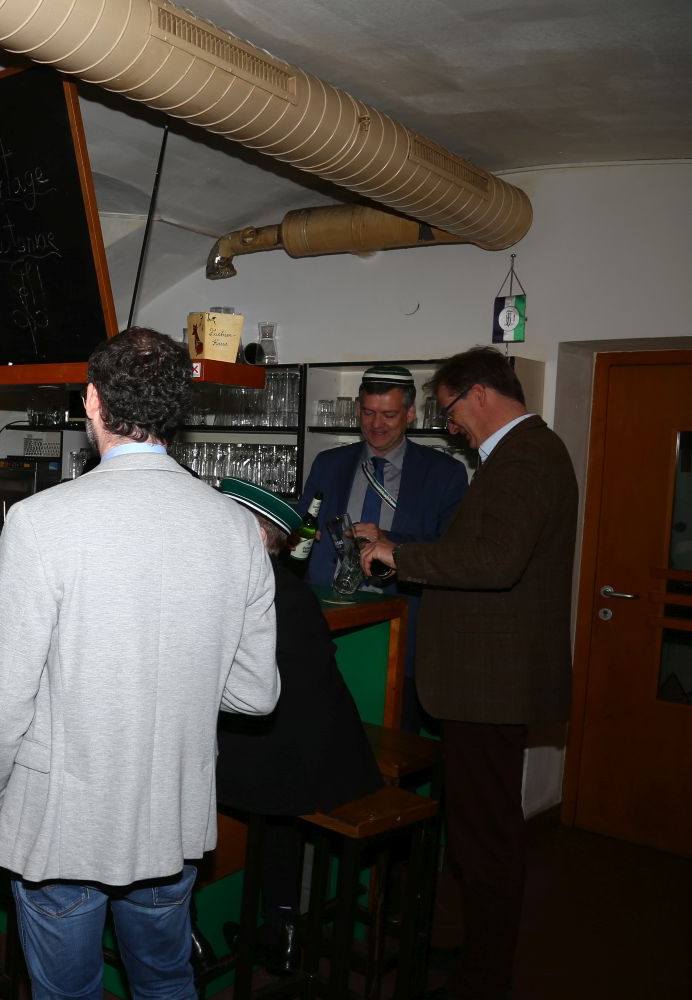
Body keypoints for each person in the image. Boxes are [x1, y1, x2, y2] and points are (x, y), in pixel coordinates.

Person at [0, 328, 281, 1000]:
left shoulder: (41, 520)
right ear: (179, 408)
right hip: (169, 812)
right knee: (165, 981)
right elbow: (257, 693)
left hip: (62, 819)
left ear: (91, 400)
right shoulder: (236, 527)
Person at [361, 346, 576, 1000]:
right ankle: (481, 956)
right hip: (487, 682)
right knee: (482, 833)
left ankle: (483, 978)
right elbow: (479, 551)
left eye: (451, 412)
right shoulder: (521, 455)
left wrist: (399, 555)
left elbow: (495, 562)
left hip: (491, 684)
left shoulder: (525, 458)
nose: (451, 427)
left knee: (486, 841)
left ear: (480, 393)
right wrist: (402, 549)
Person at [215, 477, 382, 975]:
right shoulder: (288, 587)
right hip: (331, 756)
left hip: (272, 764)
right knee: (277, 814)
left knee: (170, 776)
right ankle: (282, 926)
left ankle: (181, 936)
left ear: (251, 533)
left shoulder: (233, 590)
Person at [298, 364, 467, 732]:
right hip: (330, 624)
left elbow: (454, 552)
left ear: (411, 413)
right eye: (368, 413)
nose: (377, 424)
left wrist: (389, 539)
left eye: (389, 415)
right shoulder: (329, 463)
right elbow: (303, 528)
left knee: (390, 740)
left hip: (399, 628)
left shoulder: (444, 473)